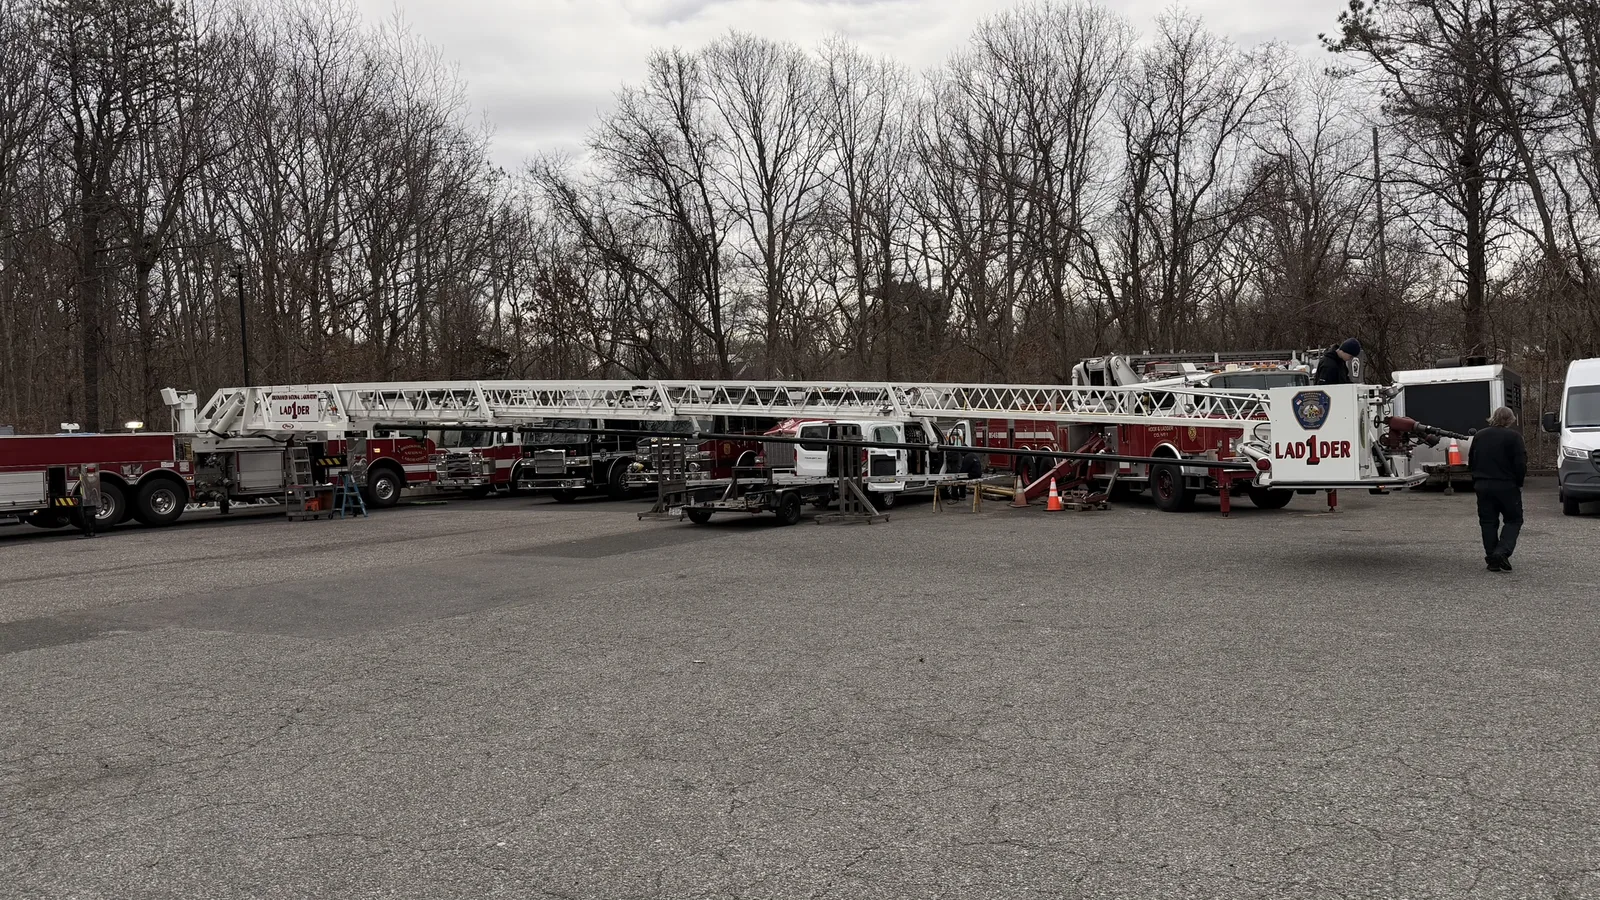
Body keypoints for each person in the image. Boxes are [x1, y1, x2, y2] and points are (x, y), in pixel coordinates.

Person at [1468, 406, 1527, 572]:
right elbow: (1520, 463)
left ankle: (1492, 558)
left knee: (1488, 522)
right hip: (1507, 485)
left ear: (1492, 417)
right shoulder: (1514, 437)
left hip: (1483, 485)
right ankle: (1502, 552)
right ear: (1510, 420)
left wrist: (1476, 479)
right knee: (1513, 520)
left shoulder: (1479, 435)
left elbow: (1471, 460)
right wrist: (1520, 483)